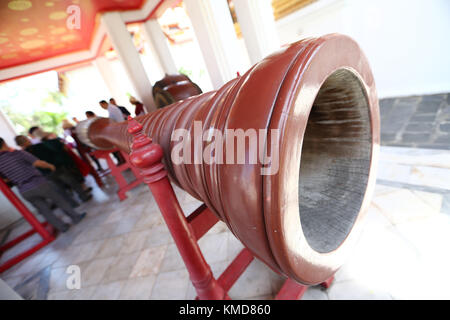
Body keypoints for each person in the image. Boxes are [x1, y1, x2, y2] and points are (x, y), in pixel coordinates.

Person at [0, 137, 86, 232]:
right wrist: (50, 166)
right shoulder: (17, 154)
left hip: (24, 190)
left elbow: (6, 180)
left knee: (44, 211)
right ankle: (76, 217)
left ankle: (62, 227)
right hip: (38, 183)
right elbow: (38, 163)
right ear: (4, 143)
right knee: (59, 200)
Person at [15, 135, 92, 202]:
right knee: (72, 182)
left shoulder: (23, 154)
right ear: (27, 140)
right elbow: (53, 153)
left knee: (60, 189)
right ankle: (83, 197)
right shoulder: (39, 146)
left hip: (45, 173)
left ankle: (72, 203)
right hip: (56, 167)